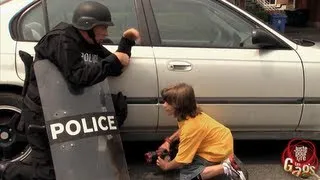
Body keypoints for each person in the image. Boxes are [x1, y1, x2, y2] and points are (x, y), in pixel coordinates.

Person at [1, 1, 140, 180]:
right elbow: (78, 77)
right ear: (88, 26)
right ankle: (6, 170)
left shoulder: (88, 41)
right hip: (41, 115)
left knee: (73, 168)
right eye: (103, 28)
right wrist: (114, 60)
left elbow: (112, 66)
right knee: (47, 173)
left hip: (64, 113)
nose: (105, 33)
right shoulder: (61, 40)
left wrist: (126, 43)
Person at [156, 83, 247, 180]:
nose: (164, 105)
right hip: (221, 140)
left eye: (168, 103)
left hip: (218, 149)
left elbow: (181, 160)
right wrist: (169, 141)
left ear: (179, 105)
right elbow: (183, 130)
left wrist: (167, 166)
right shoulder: (189, 115)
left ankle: (227, 167)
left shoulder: (191, 127)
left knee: (186, 175)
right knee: (181, 154)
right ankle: (226, 163)